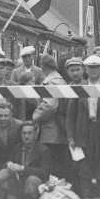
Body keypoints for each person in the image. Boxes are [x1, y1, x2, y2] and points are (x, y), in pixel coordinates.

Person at [66, 55, 100, 199]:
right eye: (91, 67)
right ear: (86, 69)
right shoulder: (79, 89)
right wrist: (71, 137)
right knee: (84, 171)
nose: (94, 70)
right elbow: (71, 115)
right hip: (83, 134)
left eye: (97, 67)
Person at [0, 122, 53, 199]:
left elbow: (44, 172)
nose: (26, 136)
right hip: (19, 183)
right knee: (4, 175)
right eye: (24, 133)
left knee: (32, 179)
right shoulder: (17, 147)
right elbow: (8, 160)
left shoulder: (43, 150)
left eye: (30, 133)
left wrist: (22, 168)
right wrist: (9, 164)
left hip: (36, 187)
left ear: (36, 134)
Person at [32, 54, 70, 182]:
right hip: (57, 131)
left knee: (52, 165)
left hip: (51, 132)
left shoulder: (52, 82)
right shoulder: (60, 80)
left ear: (43, 67)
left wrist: (34, 117)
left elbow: (50, 104)